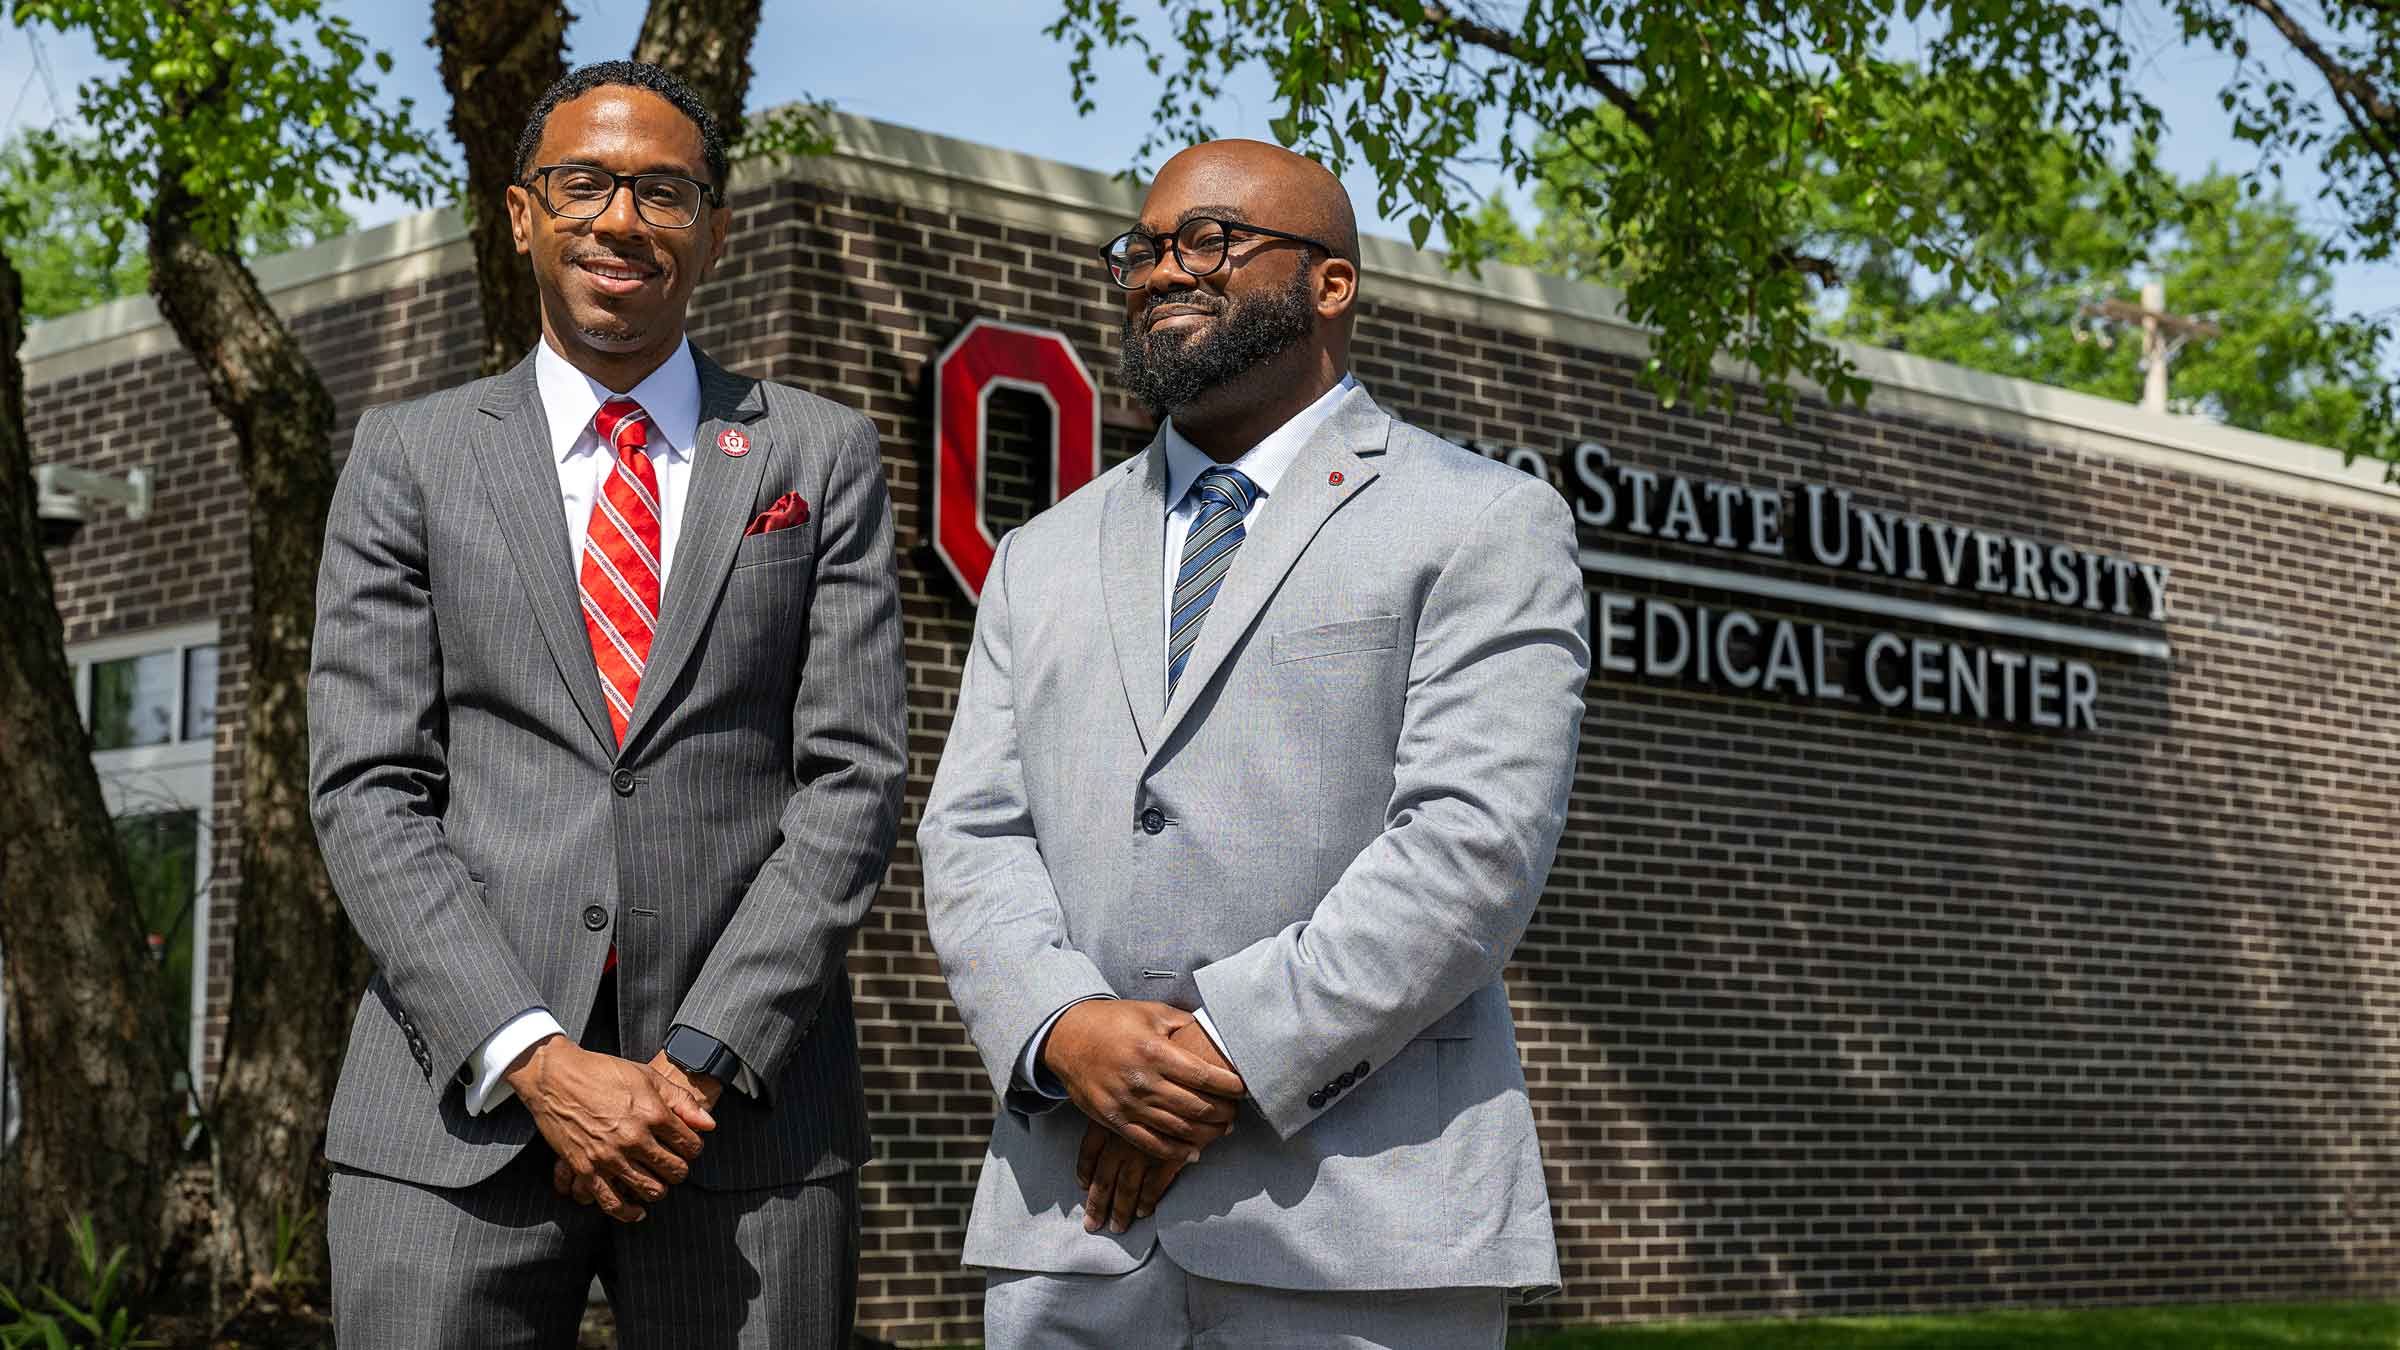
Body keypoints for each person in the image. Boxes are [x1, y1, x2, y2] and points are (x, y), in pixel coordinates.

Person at [918, 138, 1591, 1349]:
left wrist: (1215, 1059)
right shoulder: (1040, 555)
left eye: (1214, 240)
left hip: (1359, 1223)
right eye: (1147, 248)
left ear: (1331, 283)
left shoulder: (1484, 521)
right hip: (1069, 1231)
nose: (1168, 269)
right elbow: (974, 834)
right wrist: (1064, 1028)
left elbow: (1470, 848)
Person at [309, 60, 904, 1347]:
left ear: (714, 230)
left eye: (663, 191)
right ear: (522, 214)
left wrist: (691, 1064)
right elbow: (368, 789)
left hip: (741, 1120)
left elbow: (851, 783)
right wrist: (534, 1058)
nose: (620, 220)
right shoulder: (407, 459)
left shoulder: (820, 455)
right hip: (451, 1112)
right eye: (583, 184)